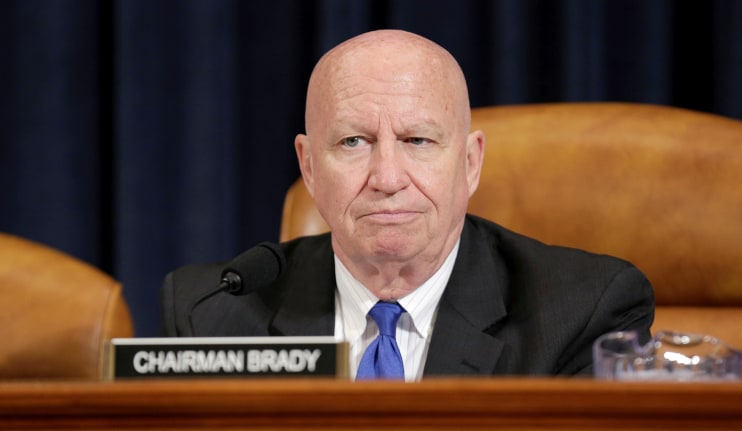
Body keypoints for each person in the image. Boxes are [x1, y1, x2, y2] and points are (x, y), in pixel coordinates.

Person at [160, 29, 654, 380]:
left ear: (469, 162)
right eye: (353, 142)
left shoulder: (582, 313)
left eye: (417, 140)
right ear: (309, 167)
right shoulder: (211, 314)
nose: (388, 178)